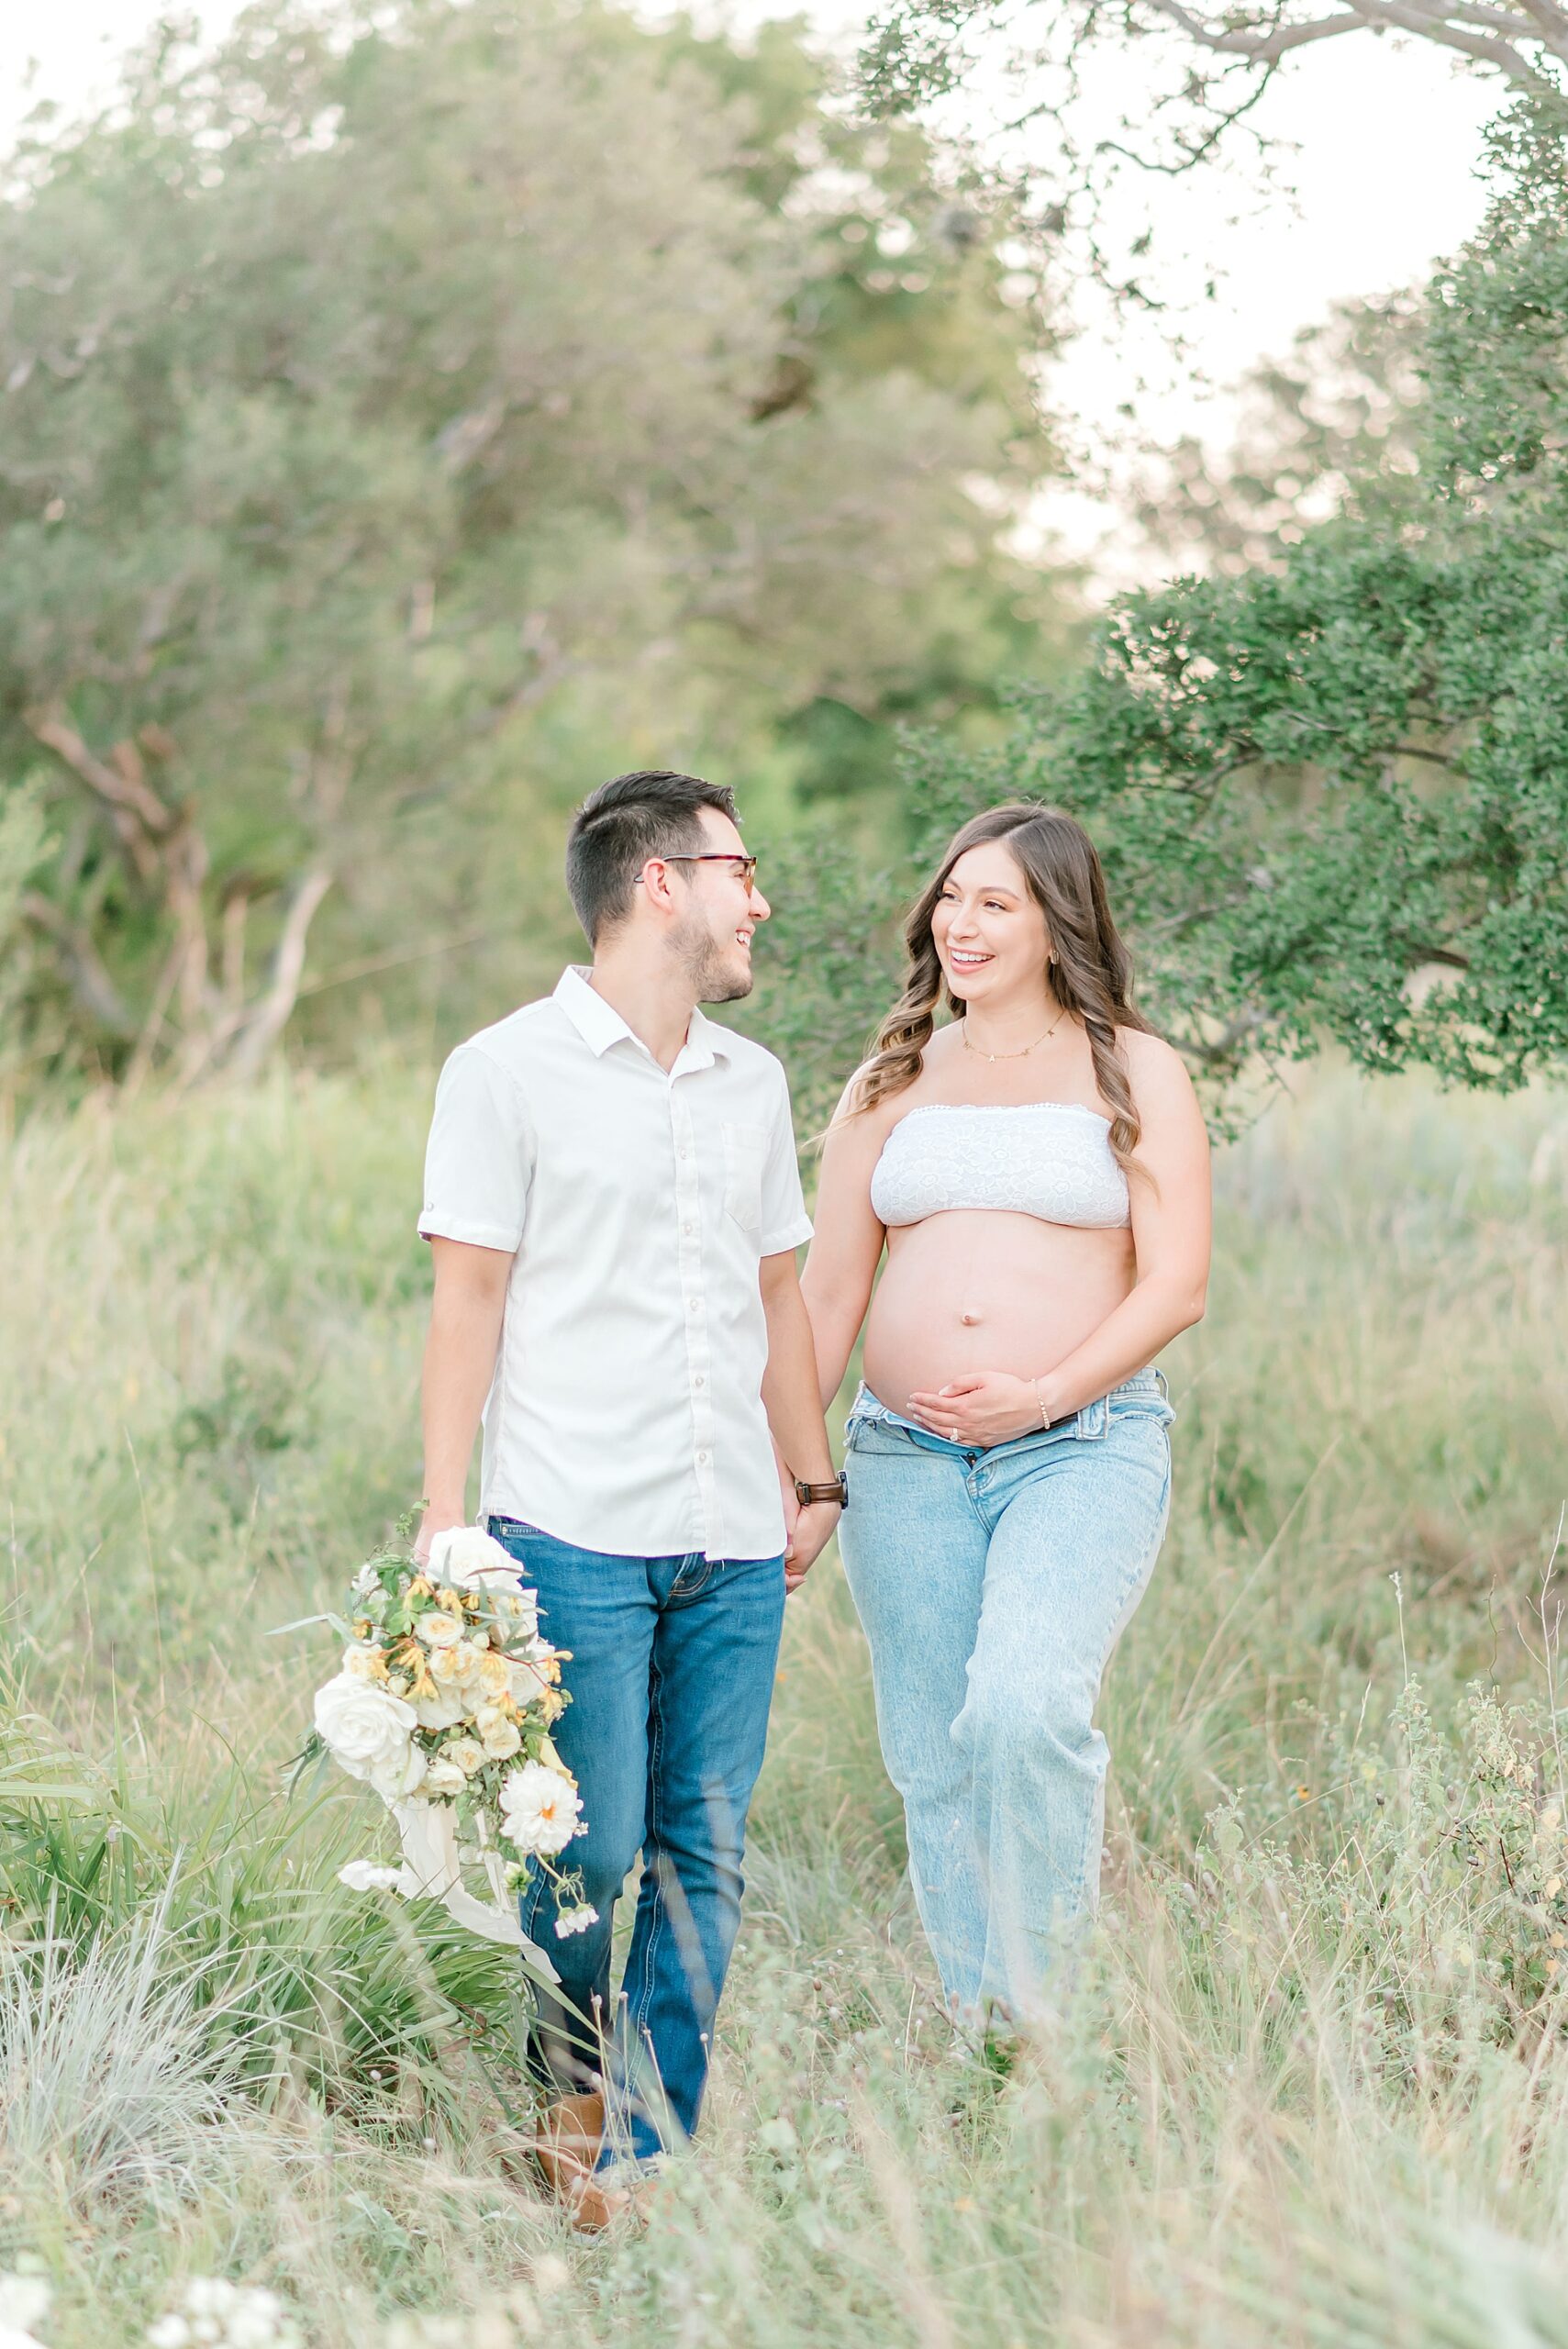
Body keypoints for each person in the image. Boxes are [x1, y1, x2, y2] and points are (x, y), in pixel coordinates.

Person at [415, 770, 842, 2221]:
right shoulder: (503, 1069)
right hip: (569, 1526)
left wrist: (812, 1477)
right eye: (740, 871)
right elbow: (466, 1297)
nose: (758, 902)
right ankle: (568, 2080)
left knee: (699, 1853)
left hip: (731, 1534)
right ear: (660, 881)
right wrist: (440, 1513)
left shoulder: (755, 1082)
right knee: (585, 1848)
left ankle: (645, 2161)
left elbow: (776, 1297)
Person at [800, 803, 1210, 2027]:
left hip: (1078, 1447)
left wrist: (1039, 1393)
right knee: (934, 1759)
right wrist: (802, 1474)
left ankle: (1054, 2017)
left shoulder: (1132, 1067)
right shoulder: (889, 1074)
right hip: (902, 1458)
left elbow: (1175, 1283)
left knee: (1023, 1707)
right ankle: (995, 2045)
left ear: (1055, 922)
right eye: (950, 896)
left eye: (997, 902)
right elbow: (826, 1294)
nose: (962, 923)